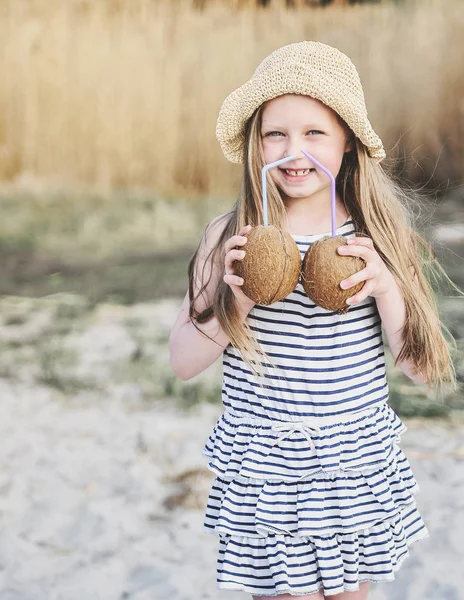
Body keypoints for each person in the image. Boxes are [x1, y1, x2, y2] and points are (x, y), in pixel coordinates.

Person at [169, 41, 457, 599]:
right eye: (275, 133)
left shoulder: (378, 240)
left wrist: (386, 289)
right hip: (269, 468)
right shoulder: (229, 238)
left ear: (347, 142)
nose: (292, 150)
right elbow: (183, 363)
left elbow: (421, 371)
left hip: (351, 466)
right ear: (257, 143)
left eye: (314, 133)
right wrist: (240, 300)